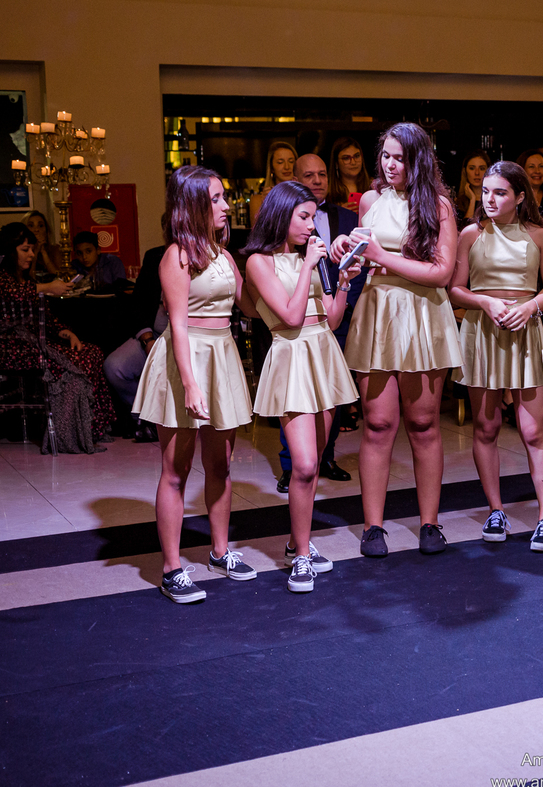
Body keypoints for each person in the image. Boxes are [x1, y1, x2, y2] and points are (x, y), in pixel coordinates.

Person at [331, 122, 462, 558]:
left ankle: (430, 523)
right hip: (378, 314)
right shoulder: (369, 200)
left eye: (399, 157)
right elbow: (362, 260)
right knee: (378, 424)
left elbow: (442, 273)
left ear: (417, 160)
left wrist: (383, 257)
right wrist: (345, 256)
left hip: (423, 315)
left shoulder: (440, 206)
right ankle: (373, 527)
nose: (390, 164)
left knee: (423, 425)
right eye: (385, 155)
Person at [132, 166, 257, 603]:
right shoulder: (176, 256)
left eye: (225, 198)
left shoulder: (224, 254)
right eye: (218, 199)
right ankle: (171, 568)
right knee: (175, 471)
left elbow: (251, 308)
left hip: (221, 355)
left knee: (221, 465)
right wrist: (190, 384)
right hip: (185, 359)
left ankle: (221, 552)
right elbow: (179, 326)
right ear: (195, 206)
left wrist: (276, 263)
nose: (226, 206)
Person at [244, 181, 361, 592]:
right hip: (291, 358)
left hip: (323, 354)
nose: (313, 226)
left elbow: (328, 319)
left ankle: (299, 543)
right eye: (304, 217)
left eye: (314, 217)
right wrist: (311, 265)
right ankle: (302, 557)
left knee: (315, 468)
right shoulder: (260, 262)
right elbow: (291, 318)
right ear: (281, 214)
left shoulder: (308, 257)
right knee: (305, 464)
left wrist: (343, 280)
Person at [449, 161, 543, 551]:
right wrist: (484, 302)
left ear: (519, 196)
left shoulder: (539, 235)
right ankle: (495, 509)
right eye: (485, 191)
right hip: (482, 333)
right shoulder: (469, 234)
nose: (490, 199)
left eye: (500, 192)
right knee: (486, 428)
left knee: (533, 431)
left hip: (526, 331)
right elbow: (455, 289)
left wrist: (530, 308)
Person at [274, 153, 365, 492]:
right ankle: (292, 465)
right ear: (293, 180)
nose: (317, 180)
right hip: (294, 322)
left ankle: (327, 457)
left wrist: (346, 295)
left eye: (322, 174)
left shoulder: (346, 217)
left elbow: (356, 267)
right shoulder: (280, 240)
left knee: (333, 393)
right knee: (295, 396)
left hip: (336, 313)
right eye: (308, 175)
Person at [0, 223, 115, 451]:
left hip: (34, 342)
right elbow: (15, 293)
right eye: (25, 249)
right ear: (10, 250)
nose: (31, 254)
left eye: (33, 249)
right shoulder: (3, 278)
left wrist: (67, 332)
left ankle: (91, 427)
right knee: (73, 363)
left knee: (90, 351)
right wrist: (47, 287)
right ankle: (66, 433)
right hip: (10, 346)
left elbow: (47, 319)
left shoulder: (28, 280)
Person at [103, 217, 170, 443]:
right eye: (166, 228)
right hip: (155, 335)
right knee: (115, 366)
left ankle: (168, 420)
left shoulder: (199, 257)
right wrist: (148, 338)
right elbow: (138, 303)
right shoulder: (155, 257)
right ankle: (148, 417)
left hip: (187, 338)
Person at [249, 142, 298, 224]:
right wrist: (267, 206)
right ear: (271, 168)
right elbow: (258, 234)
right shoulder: (257, 200)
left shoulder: (303, 196)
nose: (287, 167)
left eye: (291, 161)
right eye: (280, 162)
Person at [22, 210, 69, 292]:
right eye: (31, 226)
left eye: (40, 226)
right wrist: (35, 252)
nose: (36, 230)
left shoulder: (55, 249)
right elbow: (29, 278)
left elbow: (58, 276)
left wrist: (43, 252)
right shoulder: (21, 252)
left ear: (46, 230)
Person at [328, 136, 372, 215]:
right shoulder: (328, 191)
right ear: (336, 163)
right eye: (346, 158)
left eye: (357, 156)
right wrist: (338, 212)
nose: (353, 162)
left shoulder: (373, 186)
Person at [455, 150, 491, 229]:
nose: (477, 173)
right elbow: (463, 233)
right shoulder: (457, 203)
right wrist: (472, 200)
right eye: (472, 168)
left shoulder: (493, 200)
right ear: (465, 171)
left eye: (481, 168)